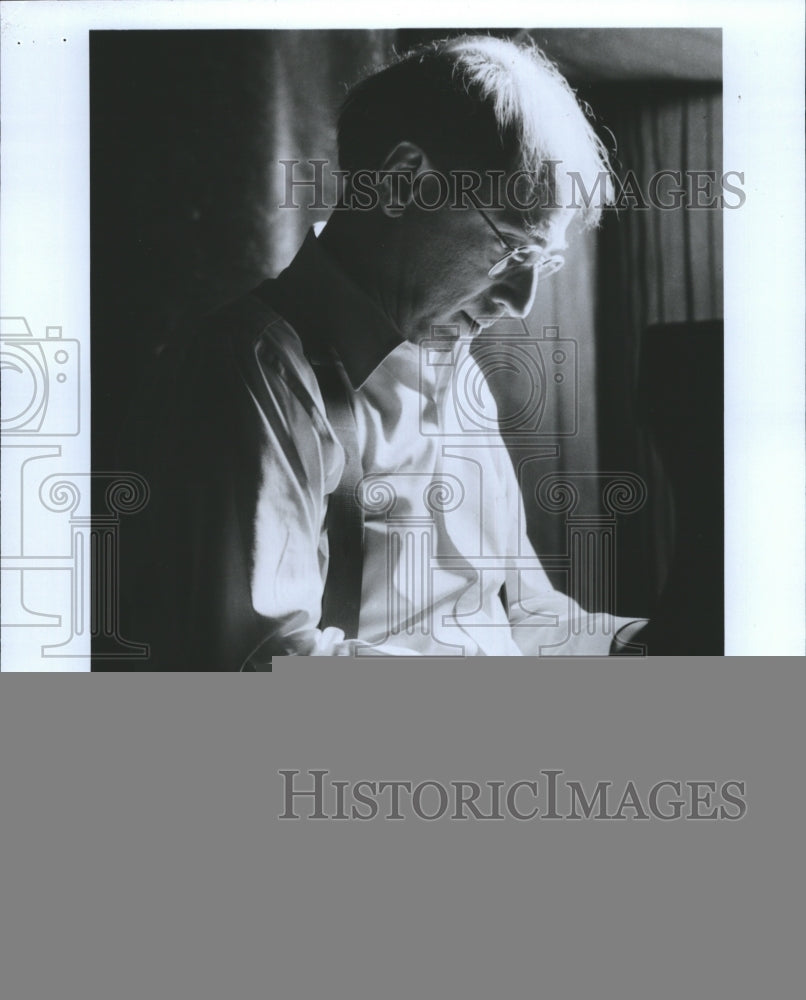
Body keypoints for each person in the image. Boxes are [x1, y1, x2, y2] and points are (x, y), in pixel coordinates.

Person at [117, 34, 648, 670]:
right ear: (403, 183)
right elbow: (265, 667)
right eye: (513, 249)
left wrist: (640, 643)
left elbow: (511, 618)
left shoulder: (464, 377)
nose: (523, 300)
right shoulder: (250, 371)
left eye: (547, 261)